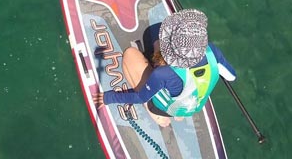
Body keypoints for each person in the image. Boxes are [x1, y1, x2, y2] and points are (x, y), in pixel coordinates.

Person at [92, 9, 237, 127]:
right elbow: (231, 77)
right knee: (157, 42)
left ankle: (156, 115)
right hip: (193, 105)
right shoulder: (212, 51)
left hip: (165, 107)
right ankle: (179, 114)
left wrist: (108, 98)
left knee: (130, 55)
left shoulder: (163, 74)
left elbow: (140, 96)